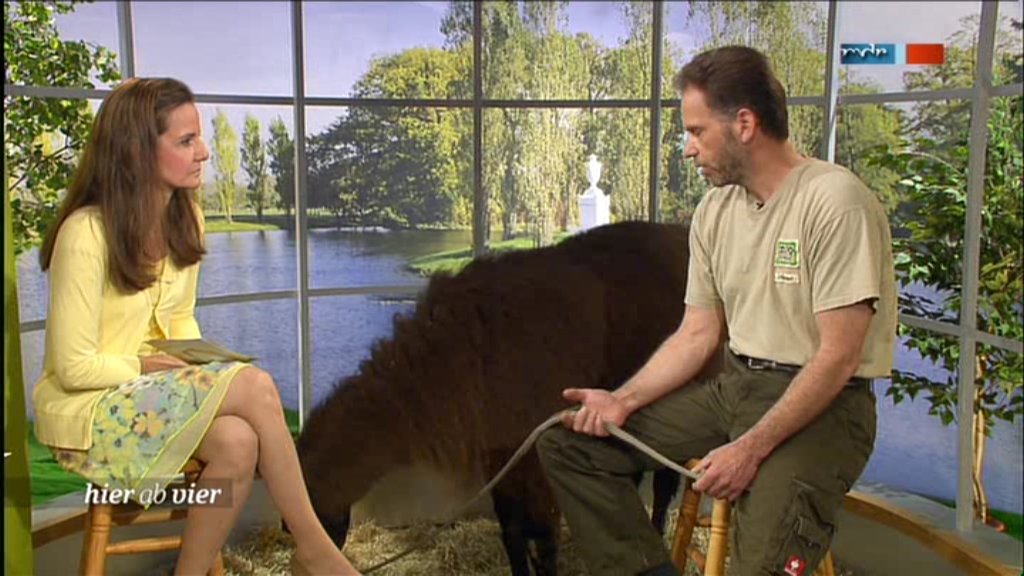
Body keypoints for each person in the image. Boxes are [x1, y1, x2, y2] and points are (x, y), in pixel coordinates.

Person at [537, 46, 896, 576]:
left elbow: (838, 358)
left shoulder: (835, 201)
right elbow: (697, 334)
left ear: (744, 124)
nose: (688, 149)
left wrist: (749, 450)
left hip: (826, 407)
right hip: (737, 387)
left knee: (758, 564)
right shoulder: (715, 209)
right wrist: (620, 401)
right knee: (569, 446)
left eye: (697, 131)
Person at [32, 77, 360, 576]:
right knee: (256, 386)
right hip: (90, 410)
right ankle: (314, 549)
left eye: (199, 137)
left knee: (238, 442)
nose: (204, 152)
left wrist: (202, 365)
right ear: (137, 151)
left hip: (150, 395)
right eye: (186, 141)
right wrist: (149, 367)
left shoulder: (187, 221)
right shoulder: (85, 234)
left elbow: (179, 323)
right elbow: (73, 368)